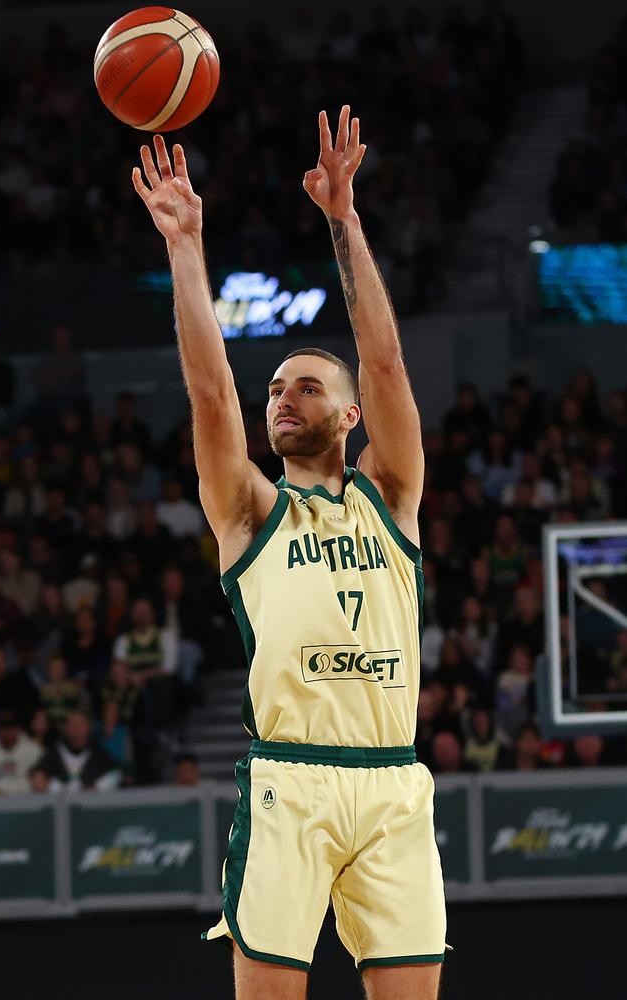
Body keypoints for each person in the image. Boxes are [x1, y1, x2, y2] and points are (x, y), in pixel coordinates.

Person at [132, 106, 445, 998]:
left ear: (348, 417)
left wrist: (342, 219)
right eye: (276, 388)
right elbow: (208, 391)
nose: (282, 399)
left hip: (391, 784)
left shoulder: (392, 498)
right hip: (290, 784)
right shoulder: (248, 511)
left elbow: (384, 365)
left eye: (307, 387)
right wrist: (185, 245)